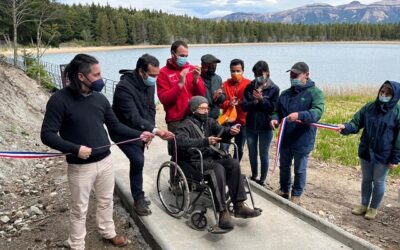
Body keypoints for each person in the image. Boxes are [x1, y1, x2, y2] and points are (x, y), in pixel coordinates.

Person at [40, 54, 154, 250]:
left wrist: (140, 134)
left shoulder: (100, 99)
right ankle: (76, 244)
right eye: (97, 74)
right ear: (81, 77)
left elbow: (115, 126)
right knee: (79, 208)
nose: (101, 77)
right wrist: (75, 149)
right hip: (80, 166)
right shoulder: (59, 100)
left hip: (105, 162)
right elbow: (47, 135)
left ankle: (107, 232)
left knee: (105, 200)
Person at [175, 96, 261, 230]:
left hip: (210, 158)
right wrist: (205, 141)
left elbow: (222, 132)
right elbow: (180, 142)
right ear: (193, 110)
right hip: (194, 162)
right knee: (217, 168)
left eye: (206, 108)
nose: (205, 111)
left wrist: (231, 132)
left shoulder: (210, 122)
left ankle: (239, 205)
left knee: (233, 163)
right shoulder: (184, 125)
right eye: (202, 108)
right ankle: (222, 211)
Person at [111, 54, 175, 216]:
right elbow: (132, 117)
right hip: (123, 130)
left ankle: (138, 195)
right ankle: (138, 199)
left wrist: (151, 130)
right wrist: (155, 131)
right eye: (152, 75)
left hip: (142, 129)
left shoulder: (149, 84)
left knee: (138, 159)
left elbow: (150, 108)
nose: (155, 78)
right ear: (141, 72)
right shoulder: (123, 88)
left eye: (157, 75)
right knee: (138, 159)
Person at [338, 81, 400, 220]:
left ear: (395, 96)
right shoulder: (370, 107)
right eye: (382, 92)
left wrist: (395, 158)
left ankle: (373, 208)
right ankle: (363, 205)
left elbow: (399, 138)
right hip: (366, 150)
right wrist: (345, 127)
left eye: (387, 93)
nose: (383, 95)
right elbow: (356, 123)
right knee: (366, 179)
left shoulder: (397, 112)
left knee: (378, 181)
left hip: (384, 154)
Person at [271, 62, 324, 204]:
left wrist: (300, 115)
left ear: (306, 75)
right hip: (286, 138)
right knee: (284, 166)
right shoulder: (285, 94)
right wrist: (274, 119)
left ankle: (296, 194)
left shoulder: (315, 93)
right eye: (291, 75)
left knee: (299, 169)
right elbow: (277, 111)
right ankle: (283, 189)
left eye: (296, 75)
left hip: (303, 139)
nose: (292, 77)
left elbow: (317, 113)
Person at [156, 40, 206, 157]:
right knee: (177, 154)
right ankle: (175, 175)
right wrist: (179, 84)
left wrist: (196, 80)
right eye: (181, 56)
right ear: (173, 54)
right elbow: (164, 99)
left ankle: (192, 175)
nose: (184, 58)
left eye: (186, 56)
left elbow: (201, 95)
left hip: (193, 118)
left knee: (195, 151)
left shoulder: (191, 68)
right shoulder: (163, 73)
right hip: (175, 120)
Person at [242, 60, 280, 187]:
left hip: (265, 127)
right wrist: (255, 102)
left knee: (264, 153)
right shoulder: (250, 86)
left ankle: (263, 179)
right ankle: (254, 175)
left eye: (260, 74)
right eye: (255, 74)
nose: (257, 77)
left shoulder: (274, 89)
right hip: (251, 125)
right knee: (252, 152)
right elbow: (244, 106)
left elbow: (272, 108)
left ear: (267, 73)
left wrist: (261, 99)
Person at [220, 59, 251, 161]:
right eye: (233, 71)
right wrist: (229, 103)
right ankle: (224, 165)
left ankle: (235, 166)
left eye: (238, 71)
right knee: (224, 147)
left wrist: (240, 103)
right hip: (227, 120)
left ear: (243, 71)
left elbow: (250, 103)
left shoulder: (248, 84)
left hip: (242, 121)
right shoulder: (225, 84)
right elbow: (221, 103)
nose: (235, 73)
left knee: (239, 148)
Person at [200, 54, 225, 119]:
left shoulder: (218, 78)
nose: (213, 67)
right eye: (211, 66)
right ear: (203, 65)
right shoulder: (197, 78)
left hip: (214, 116)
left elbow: (223, 98)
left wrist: (220, 96)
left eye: (215, 65)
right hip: (200, 115)